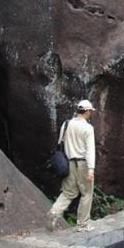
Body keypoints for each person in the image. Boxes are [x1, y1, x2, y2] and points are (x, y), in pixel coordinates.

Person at [46, 99, 96, 232]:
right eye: (90, 111)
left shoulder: (66, 124)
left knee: (68, 192)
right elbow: (90, 150)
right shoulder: (88, 128)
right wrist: (91, 169)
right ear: (86, 111)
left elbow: (60, 143)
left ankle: (54, 212)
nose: (91, 113)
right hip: (83, 163)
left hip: (69, 163)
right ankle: (83, 225)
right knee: (86, 193)